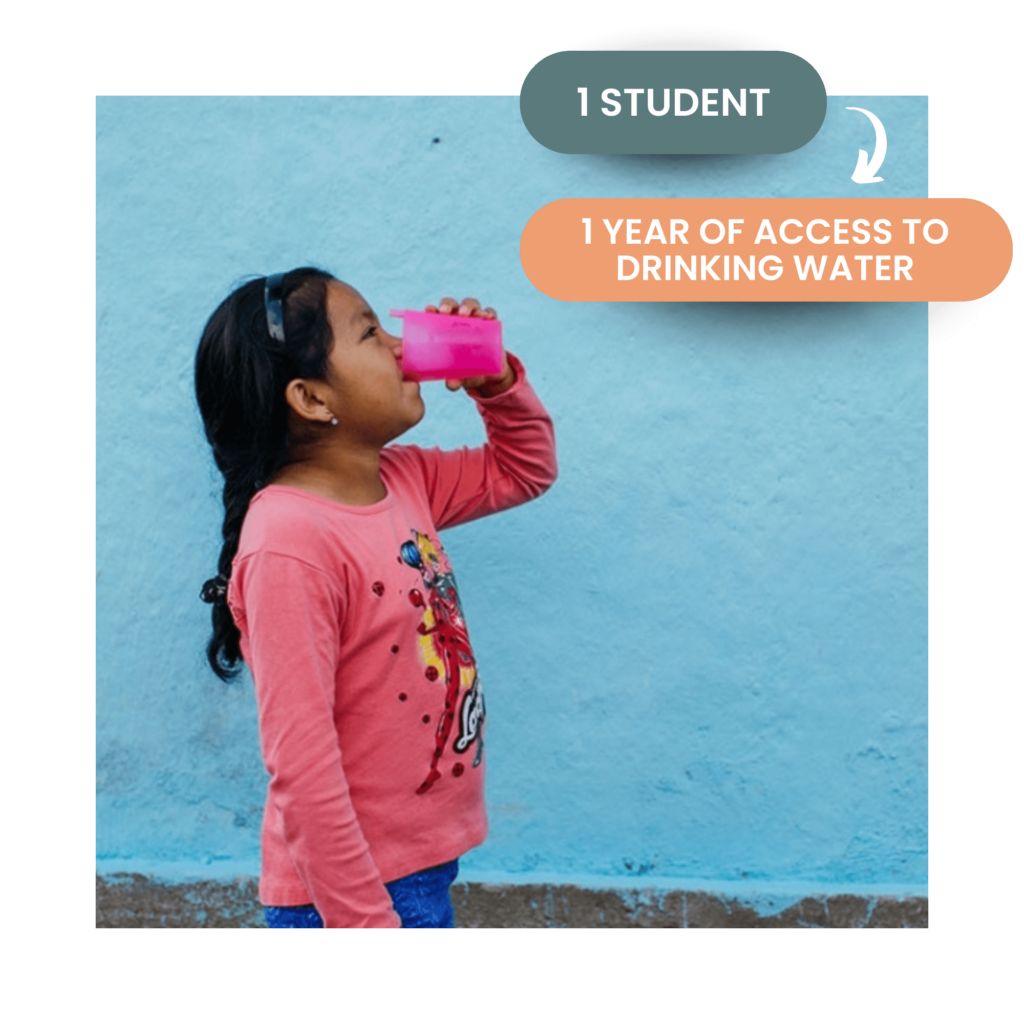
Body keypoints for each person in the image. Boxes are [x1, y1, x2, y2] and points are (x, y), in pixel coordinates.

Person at [194, 268, 557, 928]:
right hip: (355, 896)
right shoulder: (289, 543)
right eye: (369, 333)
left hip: (414, 870)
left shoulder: (404, 479)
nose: (400, 345)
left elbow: (523, 469)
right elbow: (301, 769)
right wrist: (363, 918)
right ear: (310, 397)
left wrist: (496, 383)